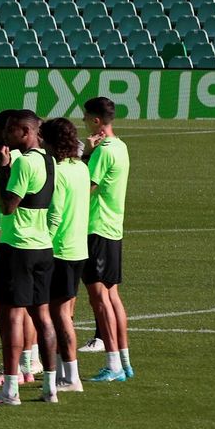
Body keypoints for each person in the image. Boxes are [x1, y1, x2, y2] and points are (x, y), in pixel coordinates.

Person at [0, 111, 59, 405]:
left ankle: (11, 389)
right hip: (42, 246)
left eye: (10, 131)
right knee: (43, 317)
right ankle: (50, 387)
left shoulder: (23, 162)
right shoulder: (49, 160)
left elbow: (8, 205)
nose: (5, 137)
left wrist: (4, 169)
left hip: (18, 248)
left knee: (10, 320)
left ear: (25, 131)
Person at [82, 96, 133, 381]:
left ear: (97, 121)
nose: (84, 123)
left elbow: (84, 187)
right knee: (112, 296)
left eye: (86, 118)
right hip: (113, 228)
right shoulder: (122, 147)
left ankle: (113, 365)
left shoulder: (104, 151)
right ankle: (124, 362)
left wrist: (86, 155)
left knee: (99, 297)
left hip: (96, 227)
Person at [41, 119, 89, 393]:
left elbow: (55, 213)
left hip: (58, 249)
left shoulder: (57, 172)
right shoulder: (80, 168)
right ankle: (65, 372)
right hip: (77, 248)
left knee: (58, 315)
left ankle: (70, 375)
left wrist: (43, 243)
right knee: (62, 313)